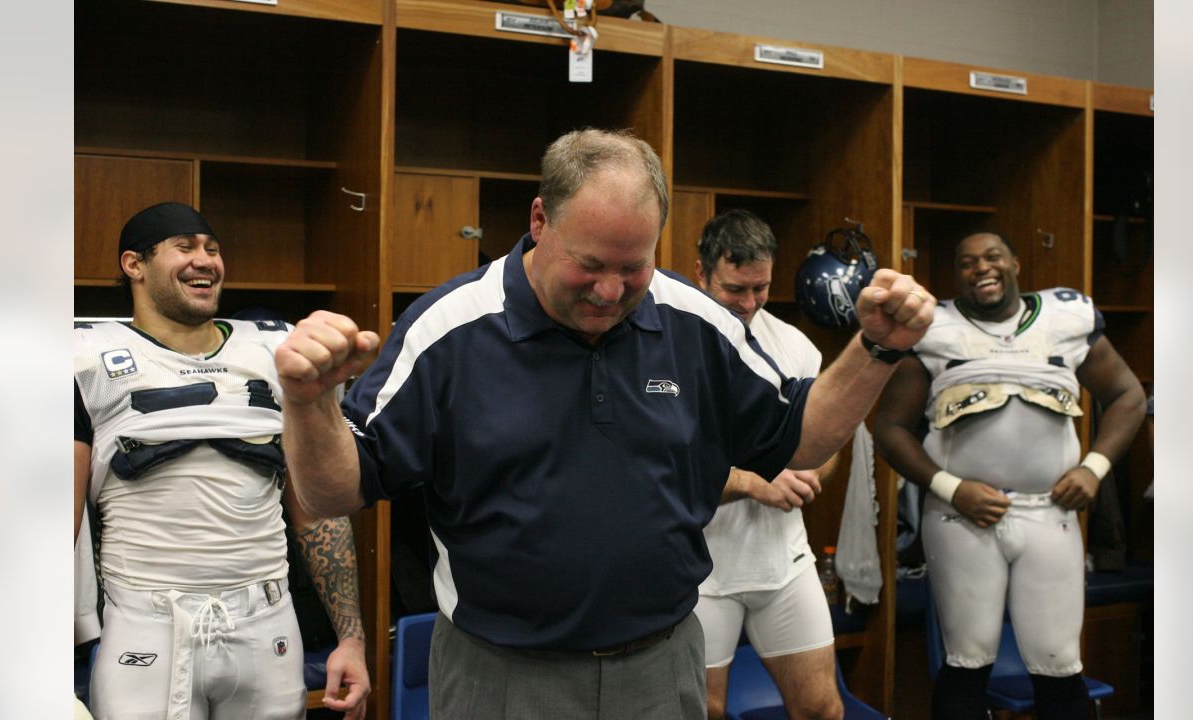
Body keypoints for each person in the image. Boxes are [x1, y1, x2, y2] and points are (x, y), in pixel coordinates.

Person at [274, 128, 935, 719]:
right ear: (540, 219)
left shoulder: (694, 321)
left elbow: (801, 436)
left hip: (660, 666)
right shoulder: (448, 330)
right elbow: (336, 490)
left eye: (633, 267)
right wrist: (309, 404)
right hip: (502, 675)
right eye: (589, 265)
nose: (611, 291)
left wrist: (876, 349)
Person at [73, 202, 371, 720]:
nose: (205, 260)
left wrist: (351, 637)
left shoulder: (277, 350)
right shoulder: (84, 361)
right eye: (184, 247)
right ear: (134, 265)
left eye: (212, 249)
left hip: (267, 620)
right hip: (147, 624)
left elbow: (317, 509)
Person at [872, 231, 1146, 720]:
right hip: (962, 518)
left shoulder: (1065, 319)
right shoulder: (936, 328)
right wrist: (951, 488)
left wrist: (1094, 467)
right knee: (967, 660)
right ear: (957, 274)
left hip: (1049, 510)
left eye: (992, 257)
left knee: (1060, 663)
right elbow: (890, 429)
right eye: (967, 263)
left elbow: (1128, 395)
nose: (982, 269)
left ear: (1016, 263)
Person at [691, 209, 844, 720]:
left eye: (761, 289)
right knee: (704, 712)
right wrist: (758, 483)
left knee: (821, 709)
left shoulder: (794, 346)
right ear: (701, 274)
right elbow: (666, 473)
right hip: (702, 571)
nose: (750, 303)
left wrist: (809, 472)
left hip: (782, 562)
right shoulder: (670, 348)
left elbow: (829, 447)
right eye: (736, 289)